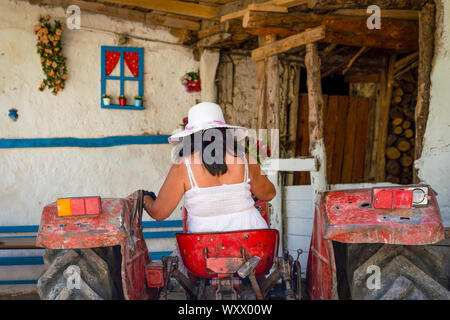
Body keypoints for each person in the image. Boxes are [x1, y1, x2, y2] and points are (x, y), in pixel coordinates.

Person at [141, 102, 276, 233]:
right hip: (251, 245)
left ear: (191, 136)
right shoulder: (245, 159)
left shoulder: (183, 166)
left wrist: (145, 198)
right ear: (225, 132)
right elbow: (268, 193)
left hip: (205, 249)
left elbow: (159, 213)